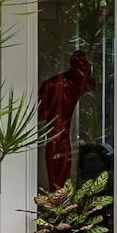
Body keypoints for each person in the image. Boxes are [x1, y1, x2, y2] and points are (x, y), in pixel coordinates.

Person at [38, 49, 96, 187]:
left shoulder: (79, 84)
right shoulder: (53, 85)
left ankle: (60, 199)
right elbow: (40, 115)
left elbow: (41, 115)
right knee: (57, 177)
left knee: (62, 176)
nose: (84, 71)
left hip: (62, 138)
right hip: (56, 138)